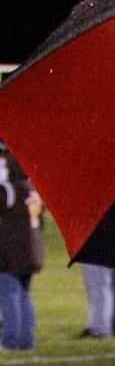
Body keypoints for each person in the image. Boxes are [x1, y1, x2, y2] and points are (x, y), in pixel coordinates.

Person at [0, 143, 43, 351]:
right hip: (32, 251)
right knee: (24, 295)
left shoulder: (8, 189)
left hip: (10, 253)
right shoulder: (31, 189)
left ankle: (11, 340)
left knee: (10, 295)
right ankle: (26, 341)